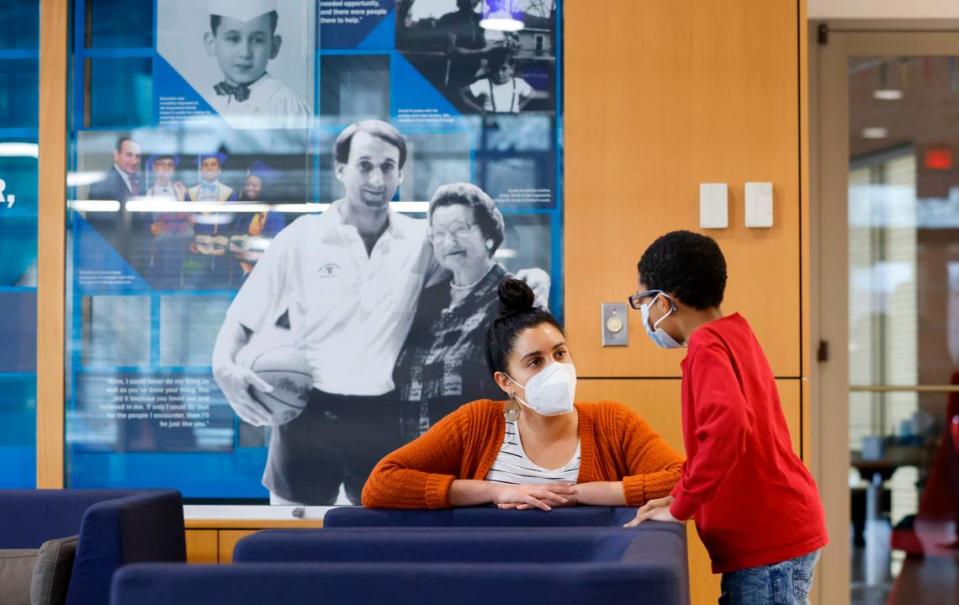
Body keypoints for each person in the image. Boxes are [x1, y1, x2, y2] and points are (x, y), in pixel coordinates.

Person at [212, 119, 550, 506]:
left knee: (377, 540)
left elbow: (474, 267)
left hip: (385, 414)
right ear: (341, 170)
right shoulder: (300, 238)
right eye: (364, 165)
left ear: (400, 174)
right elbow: (239, 322)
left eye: (387, 166)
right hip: (307, 412)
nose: (376, 177)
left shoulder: (420, 241)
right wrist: (224, 367)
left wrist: (532, 275)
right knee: (294, 540)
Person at [624, 231, 828, 605]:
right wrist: (676, 495)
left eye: (643, 302)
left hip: (768, 541)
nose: (645, 315)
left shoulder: (706, 346)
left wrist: (683, 506)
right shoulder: (734, 332)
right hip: (776, 531)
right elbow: (716, 441)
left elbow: (729, 427)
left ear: (666, 302)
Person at [363, 278, 683, 510]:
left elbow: (683, 479)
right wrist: (495, 491)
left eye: (560, 354)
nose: (554, 368)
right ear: (505, 382)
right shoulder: (478, 423)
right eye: (534, 362)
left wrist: (583, 493)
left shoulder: (612, 422)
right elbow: (381, 484)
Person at [393, 182, 509, 440]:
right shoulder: (425, 300)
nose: (449, 241)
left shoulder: (510, 299)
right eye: (439, 233)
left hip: (478, 460)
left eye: (460, 229)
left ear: (488, 234)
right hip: (420, 460)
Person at [204, 0, 309, 129]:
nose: (245, 53)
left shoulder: (282, 103)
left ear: (273, 46)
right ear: (211, 43)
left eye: (257, 40)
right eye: (233, 39)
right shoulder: (208, 101)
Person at [86, 135, 147, 266]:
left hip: (137, 259)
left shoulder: (141, 183)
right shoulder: (102, 187)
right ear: (116, 155)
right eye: (129, 155)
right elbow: (99, 232)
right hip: (114, 260)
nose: (134, 161)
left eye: (137, 156)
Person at [227, 160, 286, 285]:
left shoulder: (273, 214)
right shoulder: (244, 210)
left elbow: (277, 247)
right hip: (240, 271)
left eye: (255, 185)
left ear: (264, 187)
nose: (250, 188)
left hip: (262, 273)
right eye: (248, 184)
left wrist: (249, 253)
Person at [145, 153, 192, 287]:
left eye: (169, 165)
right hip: (157, 246)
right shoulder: (148, 193)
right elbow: (140, 221)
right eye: (161, 164)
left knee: (176, 279)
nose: (165, 168)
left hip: (178, 245)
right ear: (154, 167)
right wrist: (149, 229)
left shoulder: (181, 191)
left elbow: (191, 216)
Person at [461, 46, 533, 114]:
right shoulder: (484, 83)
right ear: (491, 69)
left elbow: (531, 94)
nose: (499, 73)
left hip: (511, 120)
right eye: (495, 69)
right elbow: (462, 93)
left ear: (512, 69)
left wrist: (518, 106)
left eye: (504, 69)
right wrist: (479, 109)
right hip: (490, 119)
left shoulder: (518, 83)